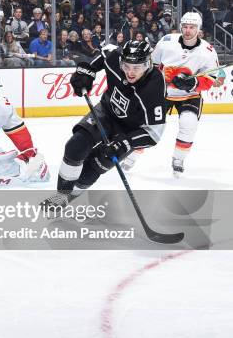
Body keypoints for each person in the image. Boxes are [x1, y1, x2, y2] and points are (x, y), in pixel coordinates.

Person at [41, 40, 167, 210]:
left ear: (148, 64)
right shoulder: (116, 56)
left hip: (127, 131)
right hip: (105, 112)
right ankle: (61, 196)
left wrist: (126, 143)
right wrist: (86, 72)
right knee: (75, 146)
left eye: (136, 67)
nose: (130, 72)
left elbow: (154, 133)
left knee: (95, 166)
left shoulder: (155, 87)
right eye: (126, 66)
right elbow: (103, 55)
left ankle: (69, 198)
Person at [122, 12, 220, 176]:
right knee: (147, 126)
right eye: (185, 27)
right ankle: (131, 157)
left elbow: (211, 77)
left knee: (188, 123)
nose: (188, 30)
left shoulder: (208, 51)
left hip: (190, 96)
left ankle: (178, 159)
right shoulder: (167, 41)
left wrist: (193, 83)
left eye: (192, 27)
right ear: (181, 26)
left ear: (199, 29)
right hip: (163, 92)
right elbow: (151, 64)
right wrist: (159, 77)